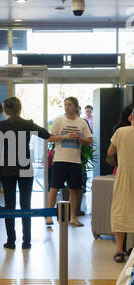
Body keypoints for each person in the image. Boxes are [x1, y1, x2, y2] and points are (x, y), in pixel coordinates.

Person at [0, 97, 50, 250]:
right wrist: (30, 125)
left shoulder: (1, 125)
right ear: (20, 109)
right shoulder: (27, 124)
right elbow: (45, 134)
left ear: (5, 109)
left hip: (7, 169)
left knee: (9, 206)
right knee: (26, 204)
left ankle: (11, 241)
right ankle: (26, 241)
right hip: (25, 168)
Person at [45, 97, 93, 227]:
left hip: (75, 161)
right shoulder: (59, 121)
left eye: (70, 105)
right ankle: (49, 216)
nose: (67, 107)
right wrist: (65, 137)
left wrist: (79, 138)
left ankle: (73, 217)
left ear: (76, 107)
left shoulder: (82, 122)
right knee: (54, 189)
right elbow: (50, 138)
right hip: (60, 160)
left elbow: (89, 140)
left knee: (74, 190)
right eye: (65, 105)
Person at [107, 107, 134, 263]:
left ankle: (119, 251)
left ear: (130, 117)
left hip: (124, 174)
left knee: (121, 209)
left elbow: (111, 152)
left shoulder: (121, 132)